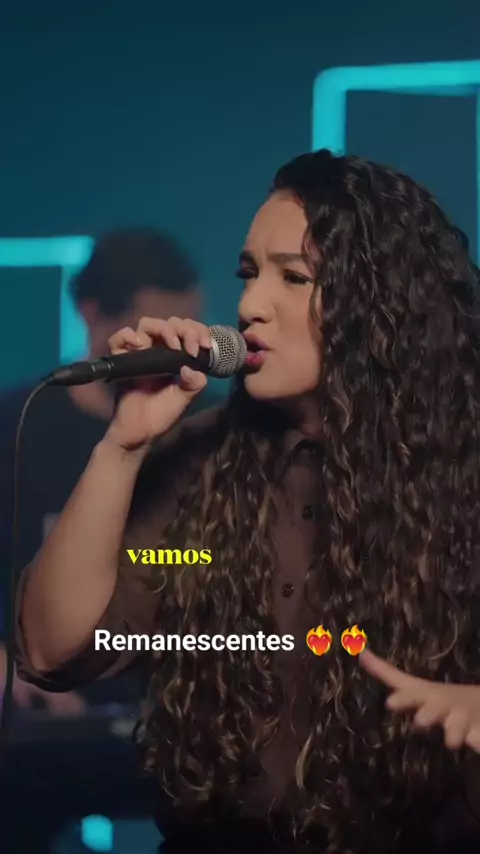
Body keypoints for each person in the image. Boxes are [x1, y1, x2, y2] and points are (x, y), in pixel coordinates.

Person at [14, 150, 480, 854]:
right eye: (248, 274)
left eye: (293, 277)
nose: (250, 306)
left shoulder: (462, 473)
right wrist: (123, 445)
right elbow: (53, 649)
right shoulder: (199, 462)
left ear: (379, 300)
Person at [0, 227, 216, 709]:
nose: (174, 353)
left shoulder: (215, 426)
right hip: (47, 711)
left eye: (187, 333)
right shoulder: (17, 424)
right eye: (154, 335)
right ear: (92, 313)